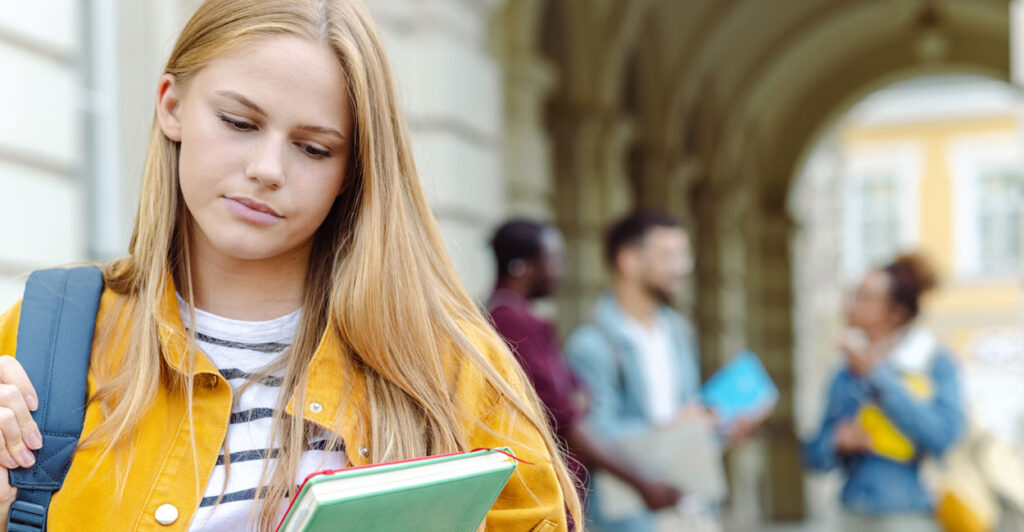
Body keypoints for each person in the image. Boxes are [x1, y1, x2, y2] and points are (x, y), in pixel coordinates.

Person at [0, 1, 579, 530]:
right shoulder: (50, 335)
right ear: (172, 106)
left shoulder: (446, 364)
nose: (268, 168)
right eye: (239, 122)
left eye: (314, 148)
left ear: (352, 170)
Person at [564, 211, 758, 532]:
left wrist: (723, 428)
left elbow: (688, 422)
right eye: (669, 256)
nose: (683, 267)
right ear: (629, 260)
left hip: (695, 509)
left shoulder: (677, 330)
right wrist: (670, 425)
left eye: (684, 256)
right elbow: (595, 436)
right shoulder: (592, 344)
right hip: (636, 517)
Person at [486, 220, 681, 529]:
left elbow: (578, 399)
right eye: (554, 259)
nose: (561, 270)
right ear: (523, 267)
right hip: (538, 495)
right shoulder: (509, 323)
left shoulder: (525, 319)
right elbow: (564, 417)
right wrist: (642, 483)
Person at [804, 253, 964, 532]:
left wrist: (877, 376)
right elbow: (814, 456)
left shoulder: (932, 362)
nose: (851, 305)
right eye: (853, 294)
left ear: (897, 312)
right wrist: (836, 442)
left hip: (910, 514)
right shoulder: (845, 371)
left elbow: (943, 437)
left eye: (865, 298)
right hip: (852, 512)